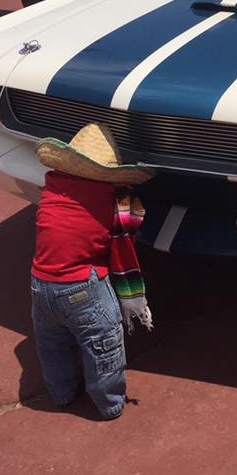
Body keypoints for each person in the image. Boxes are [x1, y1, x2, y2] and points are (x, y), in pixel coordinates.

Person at [30, 123, 153, 420]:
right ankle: (109, 403)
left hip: (40, 283)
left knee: (52, 343)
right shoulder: (113, 199)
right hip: (82, 287)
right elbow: (129, 227)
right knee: (103, 342)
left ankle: (61, 393)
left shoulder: (51, 189)